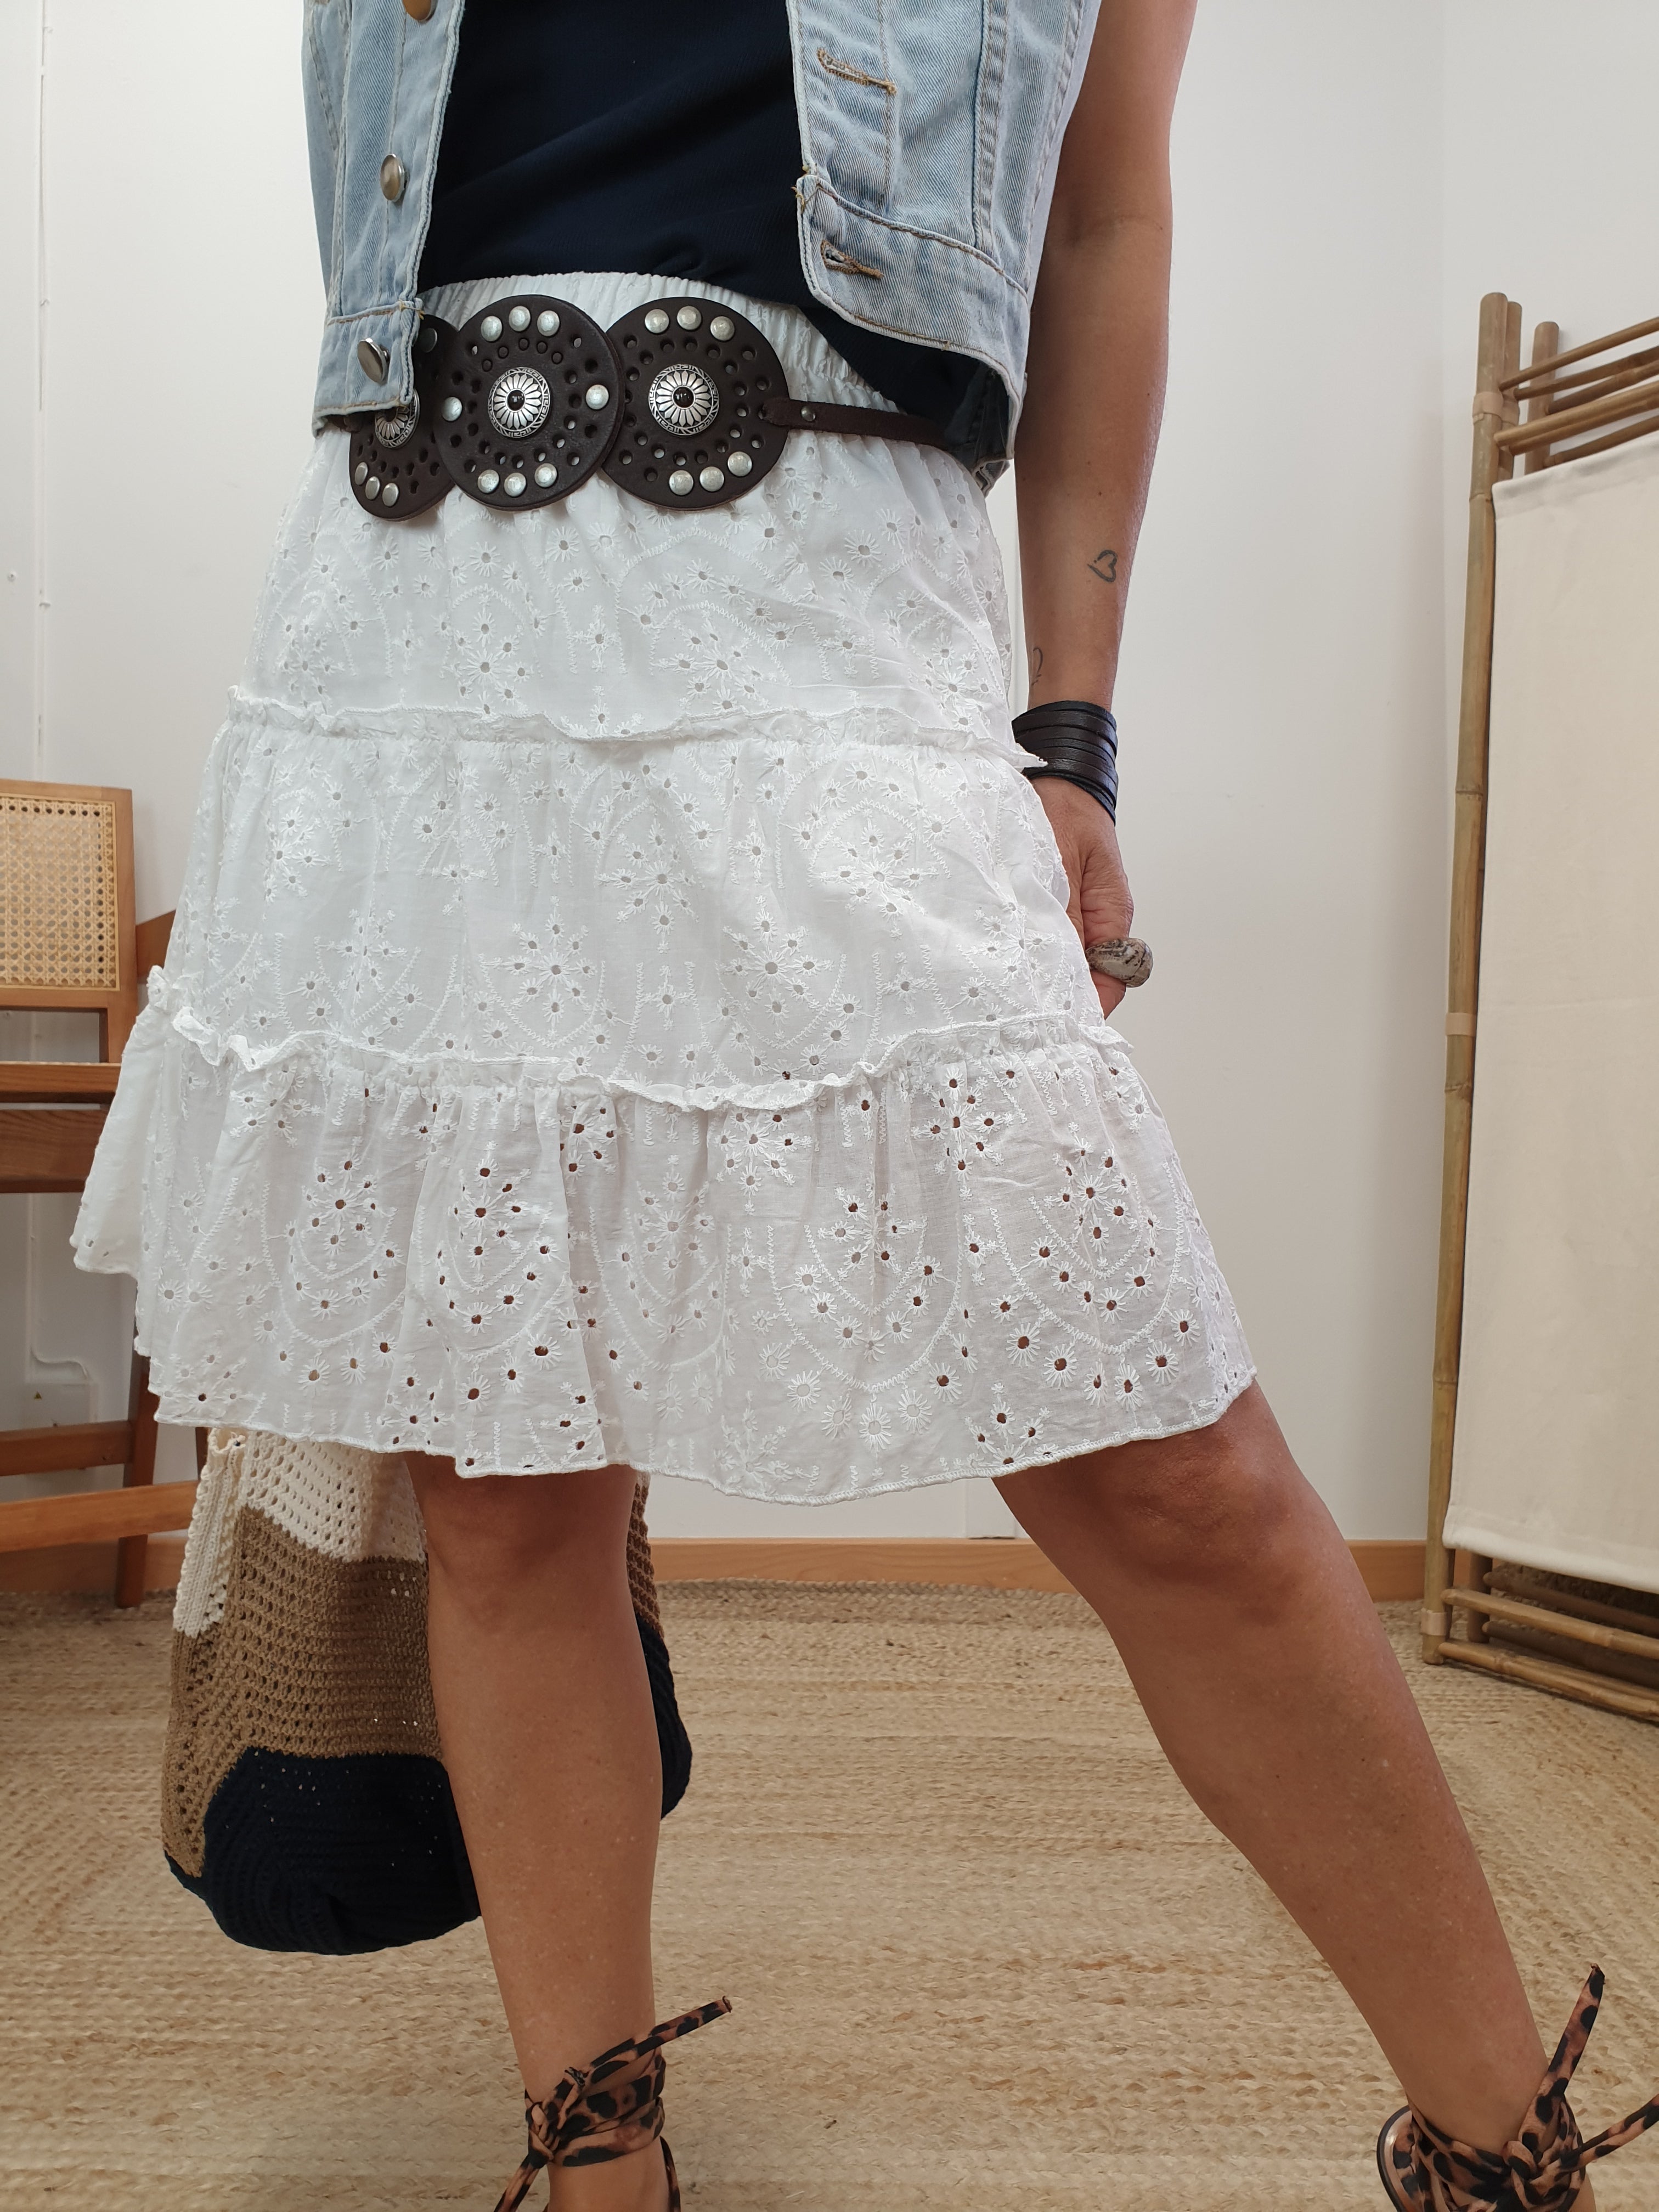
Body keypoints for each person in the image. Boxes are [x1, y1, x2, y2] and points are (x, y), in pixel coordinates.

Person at [73, 2, 1656, 2207]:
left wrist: (1073, 733)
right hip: (417, 608)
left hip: (833, 578)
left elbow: (1104, 220)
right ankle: (599, 2162)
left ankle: (1506, 2150)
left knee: (1169, 1467)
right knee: (505, 1479)